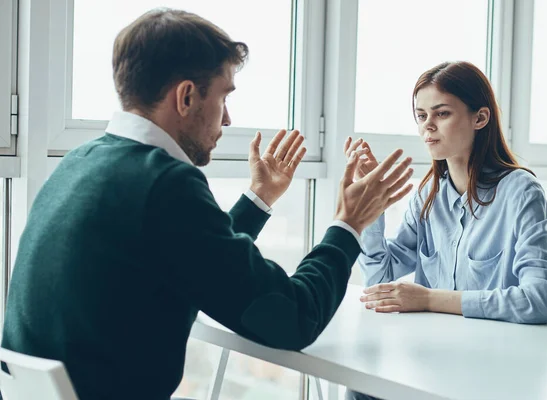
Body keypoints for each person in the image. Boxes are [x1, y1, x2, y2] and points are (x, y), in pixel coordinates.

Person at [0, 9, 414, 400]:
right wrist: (349, 223)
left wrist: (259, 199)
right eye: (223, 96)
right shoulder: (164, 183)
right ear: (186, 97)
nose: (228, 119)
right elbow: (292, 318)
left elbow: (192, 258)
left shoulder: (81, 162)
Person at [345, 61, 547, 400]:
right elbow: (380, 279)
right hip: (435, 360)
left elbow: (539, 301)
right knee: (363, 386)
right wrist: (372, 204)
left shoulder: (521, 192)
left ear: (480, 118)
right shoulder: (428, 195)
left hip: (495, 369)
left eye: (442, 114)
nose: (427, 127)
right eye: (421, 116)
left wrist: (429, 299)